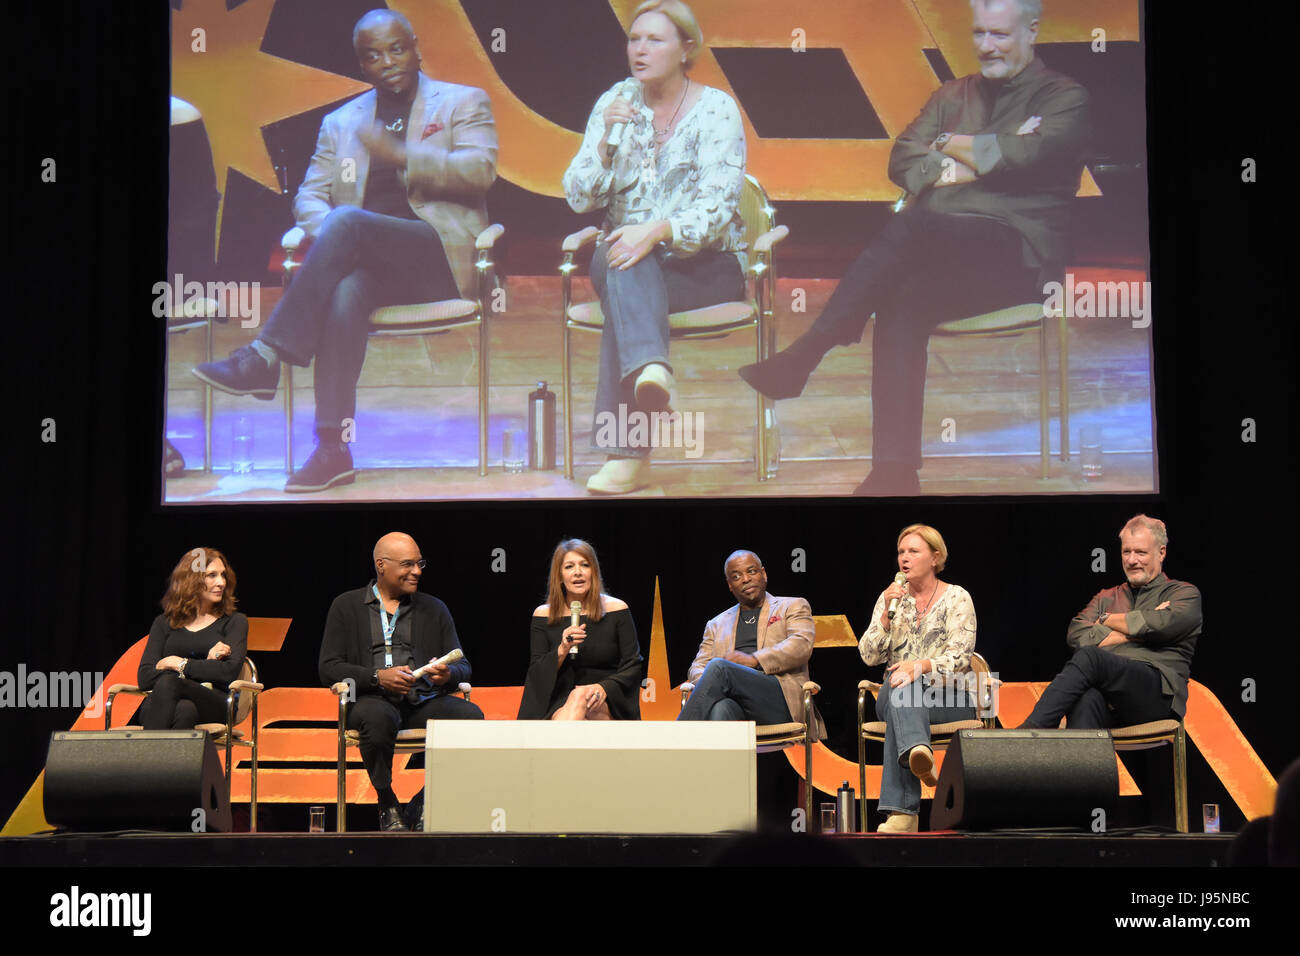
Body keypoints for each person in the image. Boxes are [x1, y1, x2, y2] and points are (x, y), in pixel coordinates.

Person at [738, 0, 1089, 495]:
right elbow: (903, 156)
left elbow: (1032, 154)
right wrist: (985, 150)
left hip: (1018, 257)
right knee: (901, 296)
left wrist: (952, 147)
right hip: (945, 255)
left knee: (921, 216)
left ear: (1032, 31)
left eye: (1001, 35)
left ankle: (808, 352)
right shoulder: (952, 95)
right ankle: (894, 471)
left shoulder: (1064, 98)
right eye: (980, 34)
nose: (987, 46)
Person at [193, 9, 497, 493]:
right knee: (345, 291)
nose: (388, 62)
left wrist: (404, 157)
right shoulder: (342, 122)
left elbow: (480, 170)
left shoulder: (461, 102)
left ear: (417, 47)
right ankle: (333, 446)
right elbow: (309, 197)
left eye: (397, 49)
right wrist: (334, 226)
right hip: (370, 261)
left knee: (349, 222)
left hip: (437, 255)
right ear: (361, 65)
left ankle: (265, 355)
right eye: (373, 56)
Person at [563, 0, 746, 494]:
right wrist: (604, 143)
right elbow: (579, 196)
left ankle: (628, 453)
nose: (639, 50)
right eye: (634, 38)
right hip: (624, 259)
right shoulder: (613, 104)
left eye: (655, 40)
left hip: (705, 266)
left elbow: (718, 208)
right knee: (621, 255)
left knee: (626, 282)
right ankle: (651, 369)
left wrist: (657, 229)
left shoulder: (717, 110)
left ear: (687, 48)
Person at [319, 532, 483, 831]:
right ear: (381, 566)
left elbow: (463, 666)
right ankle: (387, 802)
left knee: (471, 717)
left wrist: (447, 674)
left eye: (420, 563)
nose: (417, 571)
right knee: (377, 718)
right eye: (408, 564)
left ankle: (424, 800)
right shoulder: (346, 606)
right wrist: (377, 677)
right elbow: (328, 667)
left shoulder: (434, 608)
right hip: (371, 700)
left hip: (421, 700)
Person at [1019, 515, 1201, 730]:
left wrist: (1106, 619)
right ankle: (1081, 764)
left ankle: (1031, 731)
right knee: (1085, 700)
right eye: (1126, 552)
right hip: (1111, 697)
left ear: (1161, 553)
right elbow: (1077, 635)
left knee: (1091, 658)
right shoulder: (1107, 597)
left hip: (1157, 695)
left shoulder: (1184, 593)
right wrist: (1139, 627)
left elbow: (1161, 626)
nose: (1132, 560)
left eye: (1140, 552)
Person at [858, 524, 977, 832]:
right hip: (894, 692)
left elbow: (962, 657)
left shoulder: (957, 598)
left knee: (903, 689)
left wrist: (920, 666)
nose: (904, 558)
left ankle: (903, 815)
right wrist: (885, 616)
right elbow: (869, 656)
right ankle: (917, 750)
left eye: (914, 551)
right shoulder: (890, 600)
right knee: (901, 687)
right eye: (901, 552)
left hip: (948, 697)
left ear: (935, 558)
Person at [678, 551, 824, 742]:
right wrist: (713, 680)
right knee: (720, 709)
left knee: (719, 667)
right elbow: (697, 667)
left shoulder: (792, 606)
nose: (745, 579)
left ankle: (676, 742)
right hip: (737, 705)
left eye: (751, 571)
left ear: (763, 574)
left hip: (781, 701)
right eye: (736, 576)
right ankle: (722, 772)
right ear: (730, 585)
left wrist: (753, 659)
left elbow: (801, 646)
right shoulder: (716, 624)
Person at [517, 539, 643, 720]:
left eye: (584, 565)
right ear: (559, 576)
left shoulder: (617, 609)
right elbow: (536, 673)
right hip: (558, 699)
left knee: (579, 698)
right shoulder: (543, 615)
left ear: (593, 571)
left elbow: (633, 664)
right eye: (569, 567)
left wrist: (603, 687)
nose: (577, 572)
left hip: (606, 698)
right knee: (575, 703)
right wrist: (562, 649)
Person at [137, 547, 248, 731]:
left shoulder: (234, 622)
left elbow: (228, 672)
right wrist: (206, 665)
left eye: (223, 575)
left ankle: (142, 757)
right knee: (184, 710)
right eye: (212, 575)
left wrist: (179, 664)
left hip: (214, 702)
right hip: (167, 702)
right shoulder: (164, 623)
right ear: (190, 580)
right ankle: (164, 760)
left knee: (169, 683)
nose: (221, 582)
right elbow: (145, 677)